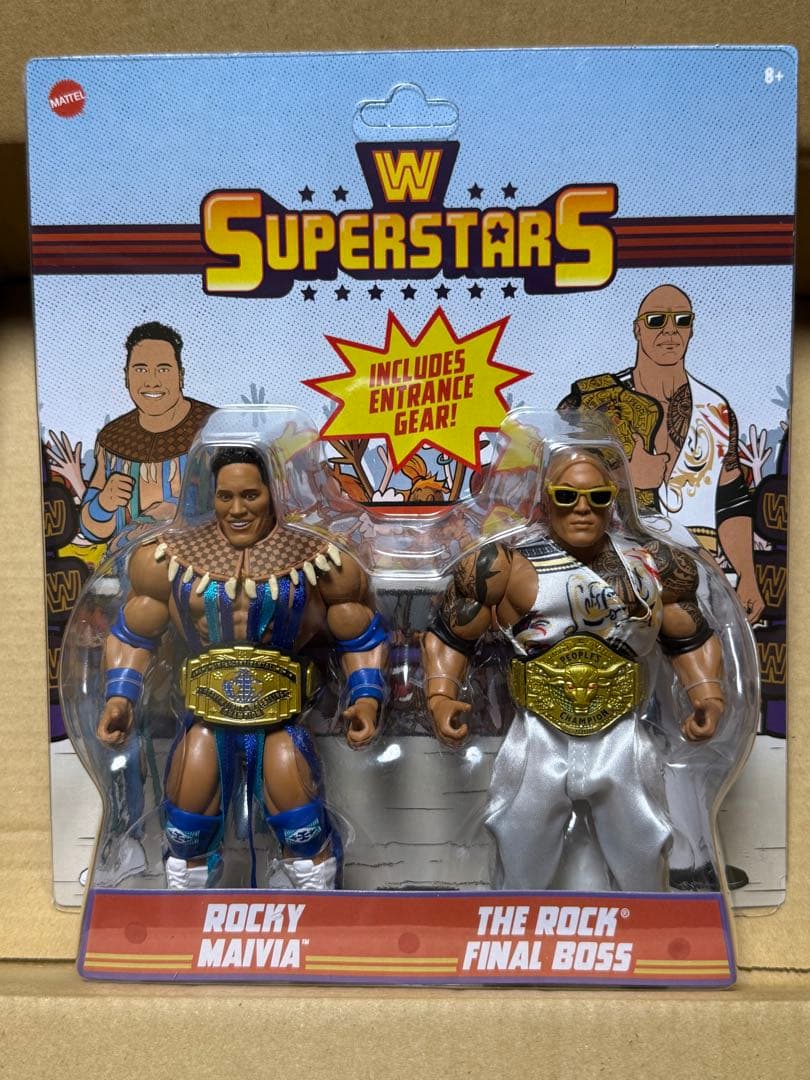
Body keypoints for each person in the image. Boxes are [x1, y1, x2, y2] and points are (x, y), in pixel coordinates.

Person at [422, 448, 726, 891]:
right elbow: (452, 634)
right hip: (538, 733)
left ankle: (648, 924)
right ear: (546, 499)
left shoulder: (650, 566)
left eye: (597, 497)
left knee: (645, 841)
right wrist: (441, 695)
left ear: (612, 500)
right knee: (519, 840)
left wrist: (707, 694)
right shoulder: (506, 566)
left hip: (621, 731)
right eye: (567, 496)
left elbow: (689, 635)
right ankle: (513, 925)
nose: (582, 508)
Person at [96, 445, 387, 890]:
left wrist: (366, 699)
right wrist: (119, 698)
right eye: (225, 496)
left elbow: (358, 631)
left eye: (250, 495)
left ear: (275, 493)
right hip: (205, 716)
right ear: (210, 495)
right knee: (186, 835)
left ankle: (312, 913)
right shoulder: (168, 558)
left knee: (304, 836)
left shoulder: (321, 559)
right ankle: (188, 919)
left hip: (280, 718)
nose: (236, 509)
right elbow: (135, 631)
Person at [559, 284, 763, 623]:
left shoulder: (716, 410)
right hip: (609, 575)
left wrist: (748, 577)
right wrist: (626, 478)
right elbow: (550, 484)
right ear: (637, 329)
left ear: (692, 329)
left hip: (699, 581)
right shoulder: (591, 403)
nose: (670, 330)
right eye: (656, 320)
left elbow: (732, 500)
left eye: (682, 320)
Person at [80, 322, 215, 544]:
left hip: (202, 558)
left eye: (163, 369)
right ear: (127, 376)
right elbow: (92, 530)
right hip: (127, 561)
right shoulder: (113, 439)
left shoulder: (213, 428)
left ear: (180, 375)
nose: (152, 381)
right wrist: (103, 504)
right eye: (141, 369)